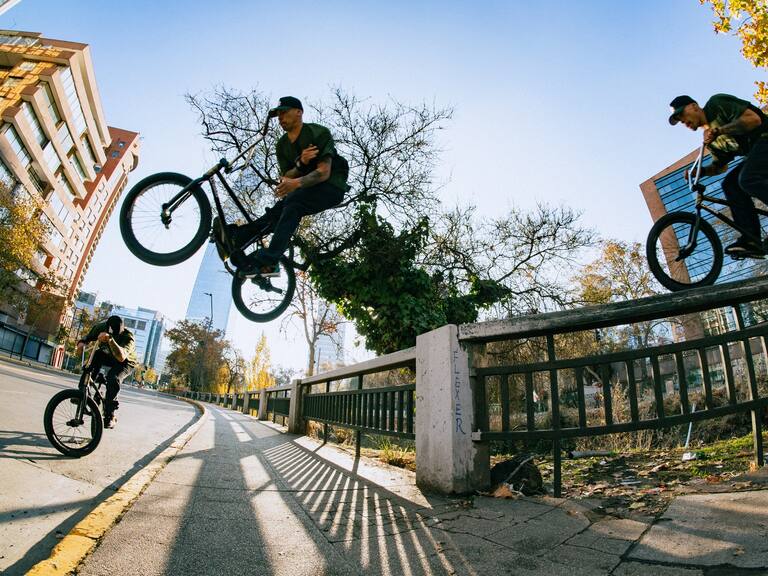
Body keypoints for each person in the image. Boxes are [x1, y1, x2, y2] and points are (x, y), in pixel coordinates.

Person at [219, 96, 349, 275]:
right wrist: (300, 164)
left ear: (299, 112)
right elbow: (286, 176)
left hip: (332, 186)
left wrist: (295, 183)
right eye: (278, 114)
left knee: (294, 203)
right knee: (276, 214)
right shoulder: (282, 146)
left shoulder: (317, 133)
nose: (280, 117)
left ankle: (269, 261)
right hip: (306, 189)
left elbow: (323, 172)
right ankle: (237, 239)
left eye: (284, 112)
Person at [668, 93, 768, 257]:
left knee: (747, 178)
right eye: (679, 120)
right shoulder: (711, 140)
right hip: (757, 156)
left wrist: (720, 130)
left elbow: (754, 120)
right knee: (730, 184)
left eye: (682, 115)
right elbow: (720, 167)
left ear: (694, 106)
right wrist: (699, 172)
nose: (683, 122)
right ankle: (752, 241)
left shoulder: (717, 104)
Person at [76, 315, 137, 428]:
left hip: (125, 362)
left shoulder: (128, 337)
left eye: (116, 334)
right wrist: (81, 344)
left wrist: (110, 339)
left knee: (113, 378)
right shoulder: (100, 327)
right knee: (96, 356)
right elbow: (87, 338)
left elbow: (121, 357)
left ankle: (110, 415)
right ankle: (83, 392)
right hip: (108, 356)